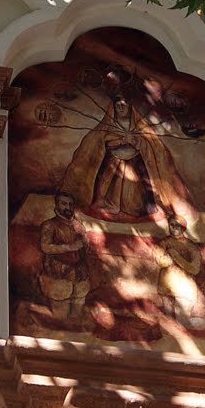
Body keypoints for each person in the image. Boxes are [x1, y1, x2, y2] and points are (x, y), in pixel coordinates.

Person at [61, 95, 191, 223]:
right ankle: (106, 204)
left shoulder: (139, 125)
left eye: (123, 105)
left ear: (129, 108)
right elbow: (99, 140)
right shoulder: (109, 124)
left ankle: (138, 208)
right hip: (112, 160)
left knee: (136, 188)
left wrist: (136, 140)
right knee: (105, 183)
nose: (121, 108)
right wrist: (117, 140)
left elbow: (150, 143)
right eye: (118, 106)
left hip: (134, 160)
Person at [37, 192, 91, 320]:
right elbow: (45, 247)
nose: (68, 207)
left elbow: (85, 244)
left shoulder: (78, 224)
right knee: (60, 315)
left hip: (79, 272)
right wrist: (69, 247)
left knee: (77, 314)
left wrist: (85, 245)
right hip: (58, 273)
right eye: (64, 203)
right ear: (57, 204)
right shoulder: (49, 225)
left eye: (70, 204)